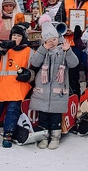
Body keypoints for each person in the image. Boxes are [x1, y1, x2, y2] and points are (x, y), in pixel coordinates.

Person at [29, 21, 78, 150]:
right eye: (49, 40)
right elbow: (34, 62)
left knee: (56, 116)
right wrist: (42, 49)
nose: (52, 42)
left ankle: (55, 137)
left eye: (55, 39)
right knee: (43, 116)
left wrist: (69, 51)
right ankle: (44, 137)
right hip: (43, 90)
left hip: (58, 90)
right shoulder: (42, 51)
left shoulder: (63, 51)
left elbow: (74, 64)